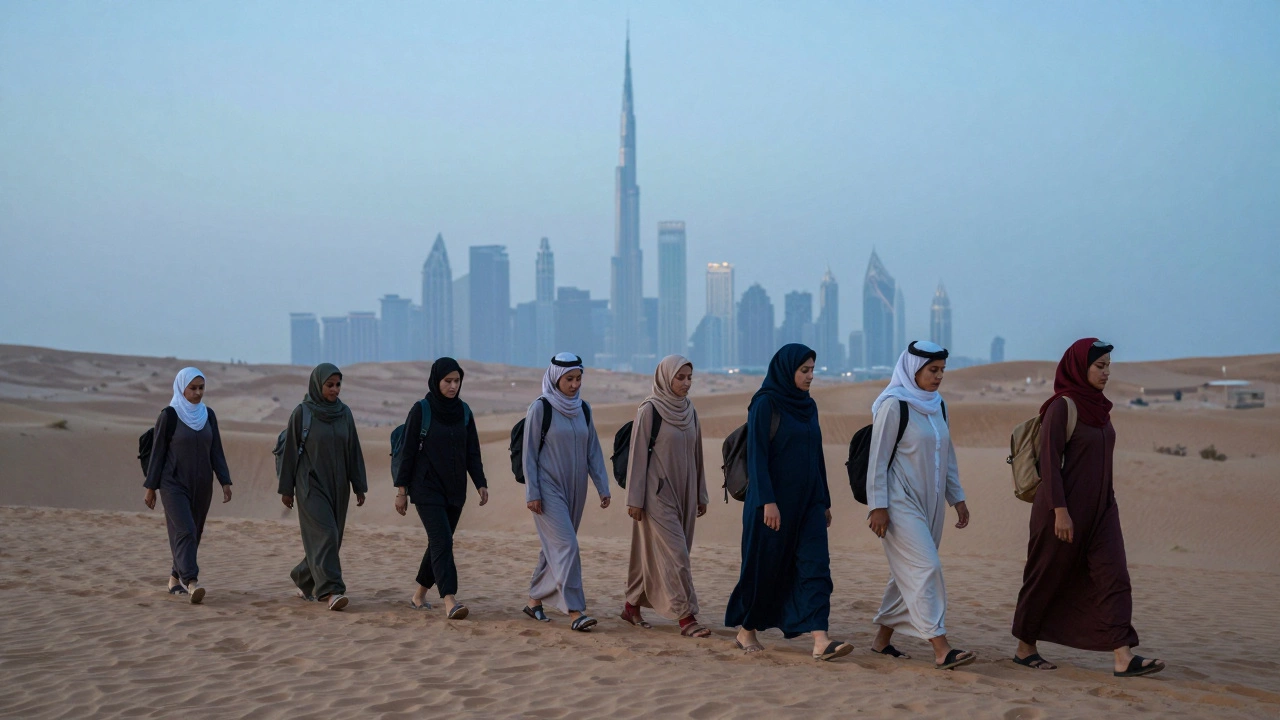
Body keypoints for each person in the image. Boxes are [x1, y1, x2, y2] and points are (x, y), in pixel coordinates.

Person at [1011, 339, 1164, 678]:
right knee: (1045, 576)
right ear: (1080, 367)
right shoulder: (1062, 407)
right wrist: (1061, 512)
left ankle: (1123, 656)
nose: (1106, 372)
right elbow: (1049, 463)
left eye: (1109, 365)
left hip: (1102, 510)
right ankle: (1025, 649)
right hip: (1060, 511)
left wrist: (1104, 506)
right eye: (1100, 366)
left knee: (1114, 576)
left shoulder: (1100, 408)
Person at [724, 344, 853, 661]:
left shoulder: (809, 406)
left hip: (808, 502)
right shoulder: (765, 404)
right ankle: (747, 630)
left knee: (816, 566)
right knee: (765, 568)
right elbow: (757, 456)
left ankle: (821, 639)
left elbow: (816, 456)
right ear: (787, 370)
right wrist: (767, 501)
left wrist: (823, 500)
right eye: (804, 370)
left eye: (812, 370)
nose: (810, 376)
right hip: (772, 505)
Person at [865, 341, 975, 670]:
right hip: (898, 502)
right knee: (926, 568)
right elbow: (877, 460)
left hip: (932, 503)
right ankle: (941, 647)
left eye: (942, 370)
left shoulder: (937, 405)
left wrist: (957, 498)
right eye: (933, 370)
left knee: (907, 572)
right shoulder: (894, 406)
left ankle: (881, 642)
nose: (939, 376)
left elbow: (947, 455)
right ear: (914, 370)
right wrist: (877, 505)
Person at [622, 355, 711, 638]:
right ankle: (686, 617)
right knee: (677, 557)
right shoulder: (650, 410)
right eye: (680, 378)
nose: (686, 384)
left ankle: (630, 606)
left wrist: (700, 493)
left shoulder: (689, 410)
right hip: (656, 495)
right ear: (665, 378)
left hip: (685, 493)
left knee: (649, 552)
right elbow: (637, 455)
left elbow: (697, 454)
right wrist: (634, 499)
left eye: (689, 378)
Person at [393, 357, 489, 620]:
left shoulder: (464, 412)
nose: (453, 386)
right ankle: (450, 599)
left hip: (455, 490)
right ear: (436, 381)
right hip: (426, 489)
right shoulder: (421, 410)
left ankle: (419, 595)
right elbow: (408, 454)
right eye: (448, 381)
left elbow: (473, 452)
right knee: (442, 541)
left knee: (439, 543)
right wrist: (402, 491)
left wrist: (480, 482)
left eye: (457, 381)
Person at [521, 353, 610, 632]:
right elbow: (529, 455)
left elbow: (592, 449)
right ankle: (575, 611)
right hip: (547, 489)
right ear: (555, 378)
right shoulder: (541, 408)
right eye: (569, 379)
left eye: (578, 378)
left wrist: (602, 486)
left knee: (555, 548)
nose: (574, 384)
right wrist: (532, 492)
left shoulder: (583, 409)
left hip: (576, 488)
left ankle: (534, 601)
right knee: (567, 546)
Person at [278, 363, 368, 611]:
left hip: (339, 486)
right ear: (318, 384)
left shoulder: (344, 413)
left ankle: (303, 578)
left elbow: (353, 450)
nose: (335, 389)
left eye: (338, 384)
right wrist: (286, 489)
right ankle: (332, 591)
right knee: (326, 535)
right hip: (310, 485)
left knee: (332, 539)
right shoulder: (303, 413)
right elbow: (289, 455)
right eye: (330, 385)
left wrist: (359, 485)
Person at [143, 367, 232, 604]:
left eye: (201, 388)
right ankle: (192, 582)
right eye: (192, 388)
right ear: (181, 388)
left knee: (195, 531)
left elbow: (216, 450)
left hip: (202, 483)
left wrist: (224, 480)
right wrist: (151, 487)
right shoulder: (169, 415)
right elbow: (158, 454)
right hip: (173, 483)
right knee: (185, 530)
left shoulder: (208, 415)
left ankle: (174, 579)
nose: (198, 393)